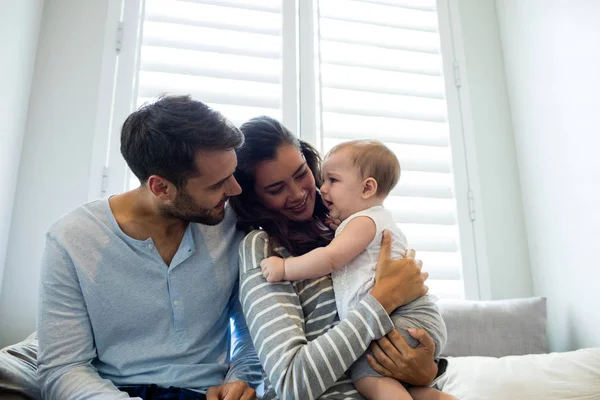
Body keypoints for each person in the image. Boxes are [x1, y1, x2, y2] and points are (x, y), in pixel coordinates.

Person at [37, 95, 262, 400]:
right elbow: (62, 368)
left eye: (232, 174)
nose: (234, 190)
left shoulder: (231, 222)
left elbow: (252, 332)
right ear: (161, 188)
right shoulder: (71, 240)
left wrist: (240, 379)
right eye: (216, 184)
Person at [230, 116, 448, 400]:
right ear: (254, 198)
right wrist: (383, 300)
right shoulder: (263, 250)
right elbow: (292, 382)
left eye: (301, 174)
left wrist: (427, 370)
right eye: (276, 189)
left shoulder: (347, 225)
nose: (297, 194)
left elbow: (407, 329)